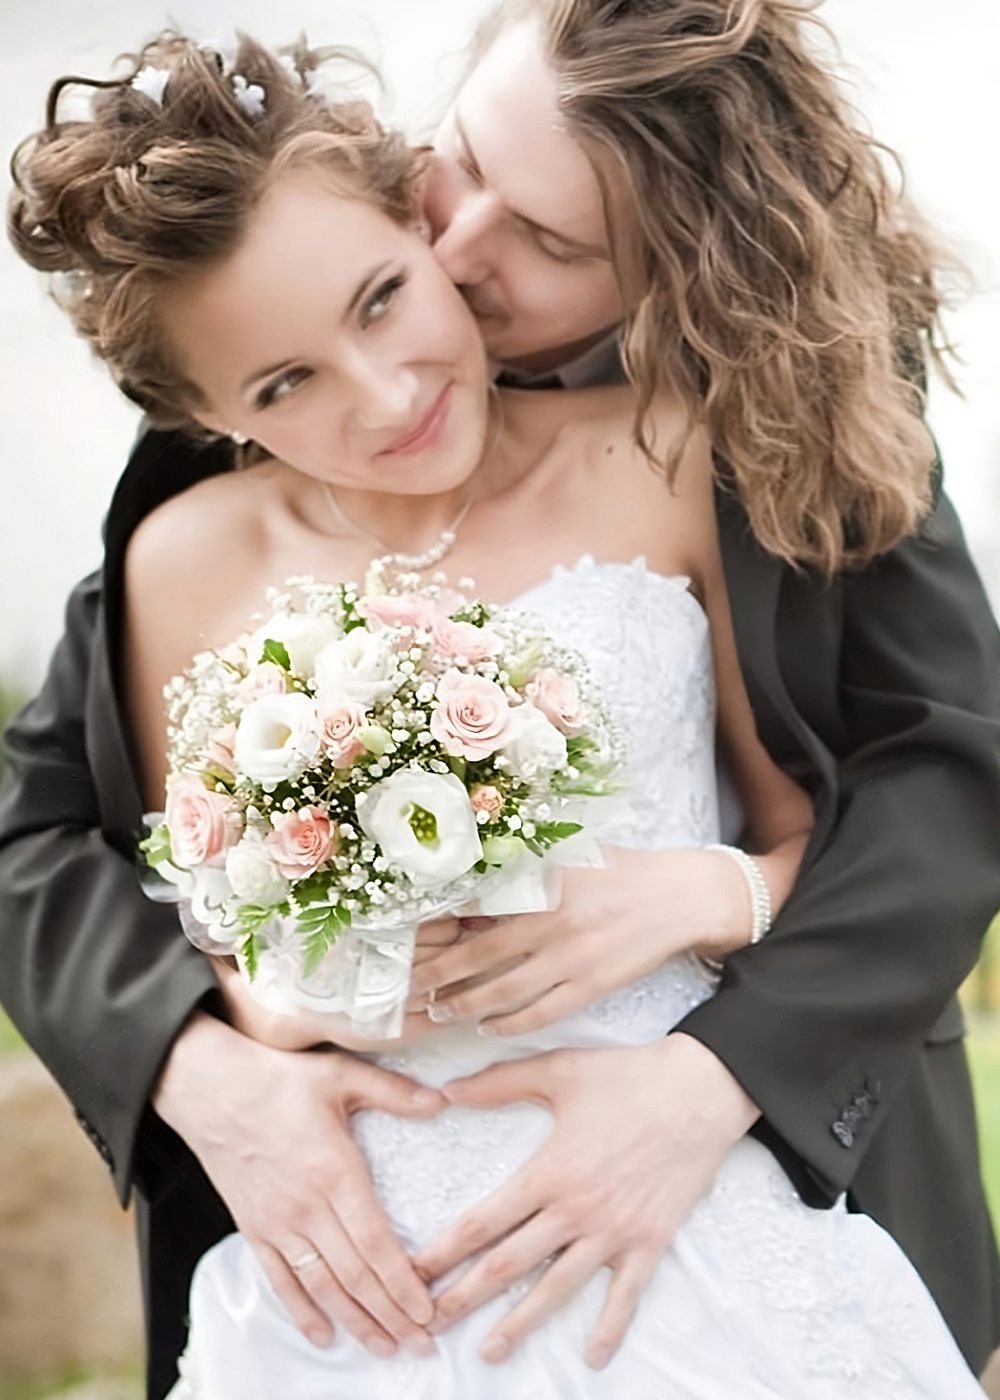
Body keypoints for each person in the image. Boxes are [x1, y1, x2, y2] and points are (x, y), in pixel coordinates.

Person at [0, 2, 997, 1392]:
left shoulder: (755, 409)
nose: (459, 261)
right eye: (461, 167)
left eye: (553, 240)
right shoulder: (199, 514)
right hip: (360, 1247)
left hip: (728, 1172)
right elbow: (83, 848)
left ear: (681, 266)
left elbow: (938, 775)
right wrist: (224, 1061)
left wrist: (710, 985)